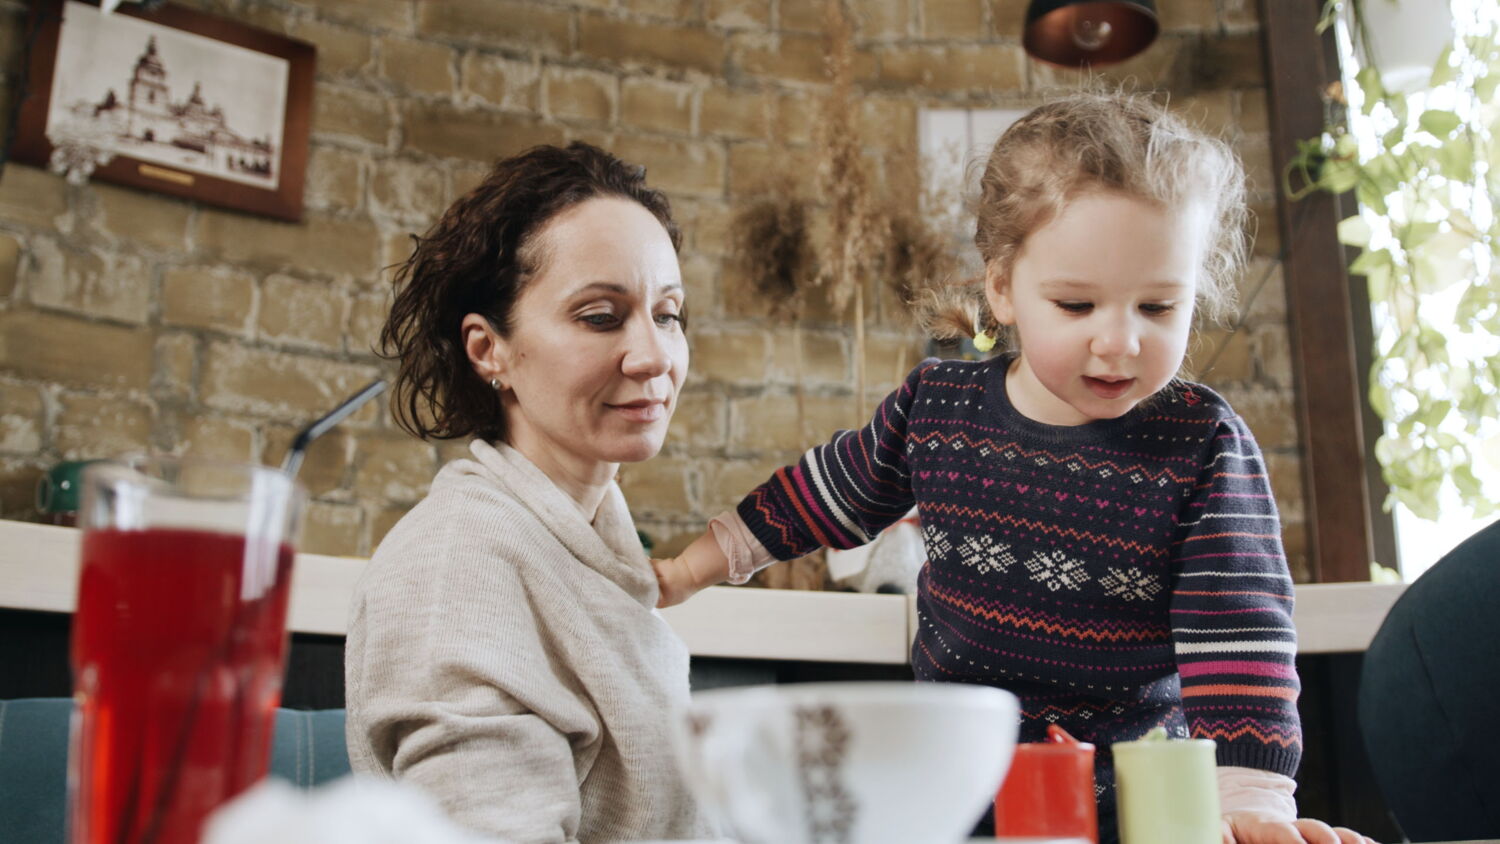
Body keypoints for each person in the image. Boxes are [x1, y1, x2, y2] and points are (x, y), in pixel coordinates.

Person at [654, 92, 1375, 844]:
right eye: (1076, 304)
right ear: (1002, 287)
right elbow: (829, 493)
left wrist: (1251, 799)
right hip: (962, 786)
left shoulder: (1201, 444)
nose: (1121, 341)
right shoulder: (937, 410)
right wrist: (698, 565)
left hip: (1138, 801)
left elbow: (1239, 630)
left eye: (1159, 308)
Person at [345, 142, 713, 843]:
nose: (655, 356)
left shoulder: (588, 553)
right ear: (490, 350)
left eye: (667, 314)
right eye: (601, 316)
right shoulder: (458, 564)